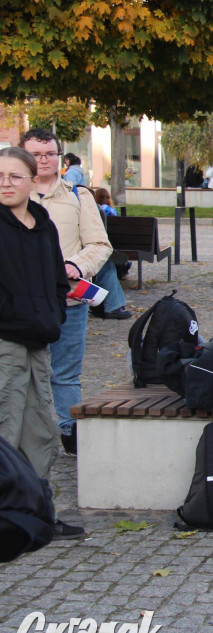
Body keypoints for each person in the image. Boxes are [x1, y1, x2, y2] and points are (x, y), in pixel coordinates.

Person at [0, 146, 84, 541]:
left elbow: (55, 277)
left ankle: (37, 513)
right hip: (6, 341)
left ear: (33, 181)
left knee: (40, 429)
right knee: (6, 427)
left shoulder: (42, 223)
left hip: (40, 340)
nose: (6, 183)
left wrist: (53, 314)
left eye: (15, 176)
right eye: (0, 176)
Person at [21, 129, 112, 458]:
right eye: (36, 153)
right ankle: (24, 435)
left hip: (67, 299)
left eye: (50, 153)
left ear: (59, 157)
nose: (43, 159)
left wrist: (77, 264)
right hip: (20, 303)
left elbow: (100, 245)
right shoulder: (12, 194)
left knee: (66, 372)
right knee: (20, 370)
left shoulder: (78, 195)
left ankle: (68, 433)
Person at [84, 188, 132, 321]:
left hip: (84, 253)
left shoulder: (93, 211)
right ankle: (113, 306)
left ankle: (111, 305)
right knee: (106, 264)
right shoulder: (97, 211)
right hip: (80, 256)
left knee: (106, 263)